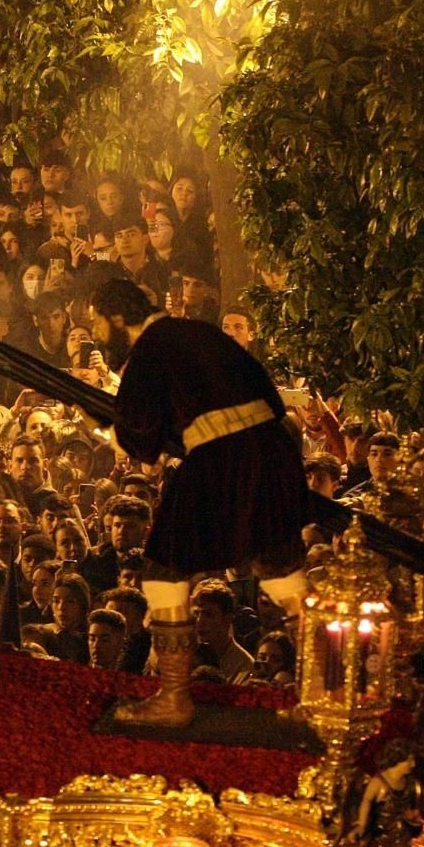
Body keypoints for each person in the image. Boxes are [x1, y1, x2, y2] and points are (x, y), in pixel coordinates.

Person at [89, 278, 311, 725]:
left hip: (218, 455)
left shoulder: (149, 348)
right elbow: (265, 393)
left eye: (97, 323)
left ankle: (173, 697)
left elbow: (140, 440)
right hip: (270, 450)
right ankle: (318, 693)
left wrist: (100, 417)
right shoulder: (202, 332)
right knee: (282, 573)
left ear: (116, 318)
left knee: (163, 573)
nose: (97, 335)